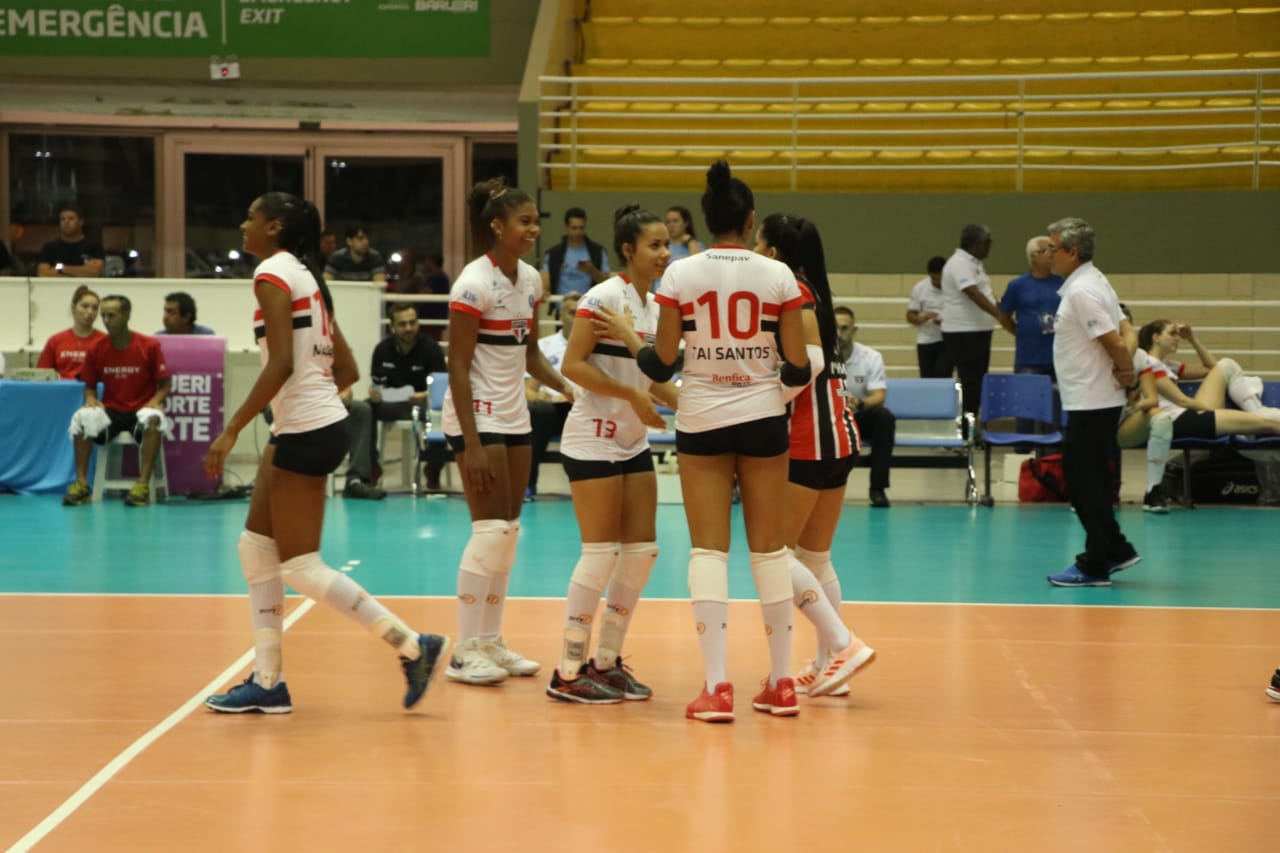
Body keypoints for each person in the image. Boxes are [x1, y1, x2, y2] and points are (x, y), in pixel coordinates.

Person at [202, 191, 449, 714]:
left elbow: (281, 365)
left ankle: (410, 644)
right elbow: (347, 370)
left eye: (250, 216)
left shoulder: (273, 273)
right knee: (255, 546)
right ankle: (269, 681)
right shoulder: (307, 277)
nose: (242, 223)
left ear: (274, 228)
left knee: (299, 565)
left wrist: (231, 431)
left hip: (307, 428)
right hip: (309, 423)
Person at [626, 161, 812, 722]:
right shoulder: (777, 276)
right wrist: (763, 382)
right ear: (751, 220)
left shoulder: (680, 274)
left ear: (703, 222)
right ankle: (782, 684)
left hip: (702, 418)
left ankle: (716, 688)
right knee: (770, 550)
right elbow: (799, 367)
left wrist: (640, 352)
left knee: (709, 550)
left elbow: (660, 359)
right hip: (762, 418)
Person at [544, 205, 680, 704]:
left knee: (642, 552)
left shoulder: (656, 304)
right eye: (655, 245)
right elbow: (575, 366)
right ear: (628, 250)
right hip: (593, 437)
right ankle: (568, 670)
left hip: (631, 440)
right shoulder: (604, 297)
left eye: (667, 244)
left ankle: (606, 661)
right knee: (600, 554)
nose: (666, 253)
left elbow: (654, 379)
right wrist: (634, 397)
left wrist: (699, 407)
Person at [441, 177, 570, 686]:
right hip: (477, 416)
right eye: (525, 221)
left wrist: (568, 389)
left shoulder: (532, 281)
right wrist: (470, 441)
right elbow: (457, 366)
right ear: (497, 227)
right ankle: (463, 649)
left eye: (537, 220)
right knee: (489, 530)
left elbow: (531, 353)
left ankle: (490, 640)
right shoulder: (473, 284)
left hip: (515, 415)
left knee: (509, 534)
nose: (534, 228)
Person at [754, 213, 876, 698]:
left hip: (810, 439)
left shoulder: (796, 294)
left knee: (772, 553)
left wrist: (754, 403)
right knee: (815, 557)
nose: (756, 253)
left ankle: (842, 645)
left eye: (760, 245)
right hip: (839, 437)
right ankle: (831, 665)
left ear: (775, 253)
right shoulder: (816, 293)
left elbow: (810, 367)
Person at [1044, 218, 1141, 588]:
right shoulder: (1095, 280)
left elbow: (1116, 342)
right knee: (1092, 479)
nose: (1048, 255)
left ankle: (1095, 564)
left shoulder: (1082, 291)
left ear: (1072, 252)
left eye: (1053, 248)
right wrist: (1124, 370)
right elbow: (1126, 329)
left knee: (1085, 483)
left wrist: (1127, 372)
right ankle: (1116, 547)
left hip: (1090, 400)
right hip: (1092, 398)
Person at [62, 294, 170, 508]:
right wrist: (91, 399)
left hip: (140, 410)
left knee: (153, 420)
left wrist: (155, 400)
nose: (106, 320)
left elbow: (165, 384)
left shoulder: (148, 346)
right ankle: (82, 484)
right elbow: (90, 386)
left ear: (127, 315)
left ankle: (142, 486)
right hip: (111, 411)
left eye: (112, 315)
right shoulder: (96, 348)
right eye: (104, 316)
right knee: (82, 418)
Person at [344, 303, 448, 498]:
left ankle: (434, 467)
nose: (408, 328)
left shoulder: (431, 348)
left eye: (412, 322)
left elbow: (441, 386)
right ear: (392, 327)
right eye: (402, 324)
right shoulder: (382, 350)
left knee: (440, 411)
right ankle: (370, 469)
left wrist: (425, 395)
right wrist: (375, 392)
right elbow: (377, 384)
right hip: (392, 404)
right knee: (365, 407)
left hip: (423, 402)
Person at [1139, 319, 1280, 438]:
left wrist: (1192, 339)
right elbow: (1182, 400)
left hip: (1186, 416)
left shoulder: (1168, 365)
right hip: (1177, 421)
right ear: (1156, 337)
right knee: (1267, 423)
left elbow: (1213, 367)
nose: (1177, 338)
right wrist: (1214, 413)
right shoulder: (1149, 362)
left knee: (1227, 365)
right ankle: (1257, 411)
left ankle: (1256, 411)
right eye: (1172, 333)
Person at [940, 224, 1009, 415]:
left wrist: (1001, 309)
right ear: (978, 243)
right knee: (970, 382)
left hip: (977, 330)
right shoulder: (959, 263)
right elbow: (973, 293)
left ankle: (971, 427)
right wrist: (999, 315)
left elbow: (985, 293)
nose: (989, 247)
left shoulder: (973, 264)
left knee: (977, 381)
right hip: (964, 332)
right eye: (988, 243)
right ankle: (965, 432)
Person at [835, 306, 896, 508]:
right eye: (834, 328)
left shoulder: (871, 357)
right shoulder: (820, 356)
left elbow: (879, 395)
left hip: (858, 415)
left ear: (854, 330)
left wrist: (860, 403)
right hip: (829, 416)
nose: (839, 334)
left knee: (884, 417)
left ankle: (877, 489)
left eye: (844, 328)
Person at [524, 290, 580, 502]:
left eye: (579, 313)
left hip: (581, 409)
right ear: (560, 315)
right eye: (570, 312)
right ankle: (528, 484)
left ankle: (586, 485)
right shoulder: (544, 346)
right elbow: (528, 388)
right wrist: (539, 397)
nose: (574, 317)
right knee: (540, 411)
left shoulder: (596, 347)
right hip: (550, 413)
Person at [999, 236, 1063, 379]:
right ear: (1033, 256)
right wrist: (1021, 331)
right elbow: (1004, 316)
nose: (1051, 254)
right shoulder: (1017, 286)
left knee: (1059, 400)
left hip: (1060, 357)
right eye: (1046, 250)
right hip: (1029, 358)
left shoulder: (1063, 283)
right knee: (1028, 399)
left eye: (1053, 250)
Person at [541, 207, 609, 304]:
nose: (578, 232)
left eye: (581, 228)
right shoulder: (553, 254)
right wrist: (543, 291)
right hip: (561, 310)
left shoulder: (598, 252)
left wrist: (592, 270)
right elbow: (545, 284)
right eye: (574, 228)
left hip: (588, 310)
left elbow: (607, 284)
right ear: (566, 227)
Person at [37, 285, 106, 380]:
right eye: (85, 306)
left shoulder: (105, 341)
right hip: (63, 392)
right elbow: (41, 374)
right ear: (73, 307)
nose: (90, 312)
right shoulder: (55, 340)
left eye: (94, 308)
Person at [906, 255, 950, 378]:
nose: (937, 283)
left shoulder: (954, 288)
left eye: (940, 279)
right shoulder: (920, 288)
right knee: (926, 376)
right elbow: (910, 315)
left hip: (948, 339)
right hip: (926, 339)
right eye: (934, 279)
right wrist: (923, 318)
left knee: (942, 372)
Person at [36, 204, 105, 278]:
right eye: (63, 219)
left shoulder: (94, 246)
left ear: (81, 222)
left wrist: (60, 268)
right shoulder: (49, 247)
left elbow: (94, 272)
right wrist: (81, 271)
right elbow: (43, 273)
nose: (66, 222)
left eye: (71, 218)